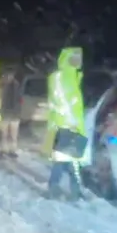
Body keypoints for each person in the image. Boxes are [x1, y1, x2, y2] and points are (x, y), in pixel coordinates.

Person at [43, 46, 85, 199]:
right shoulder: (58, 77)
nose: (77, 61)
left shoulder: (73, 76)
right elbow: (59, 101)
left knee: (70, 161)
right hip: (65, 125)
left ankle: (72, 190)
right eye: (74, 58)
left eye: (78, 58)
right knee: (63, 161)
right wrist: (71, 120)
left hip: (74, 126)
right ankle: (58, 189)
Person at [0, 67, 22, 157]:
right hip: (9, 114)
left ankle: (11, 150)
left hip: (11, 114)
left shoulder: (6, 85)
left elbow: (19, 99)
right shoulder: (4, 85)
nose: (9, 77)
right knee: (6, 135)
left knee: (11, 135)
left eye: (11, 75)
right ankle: (7, 150)